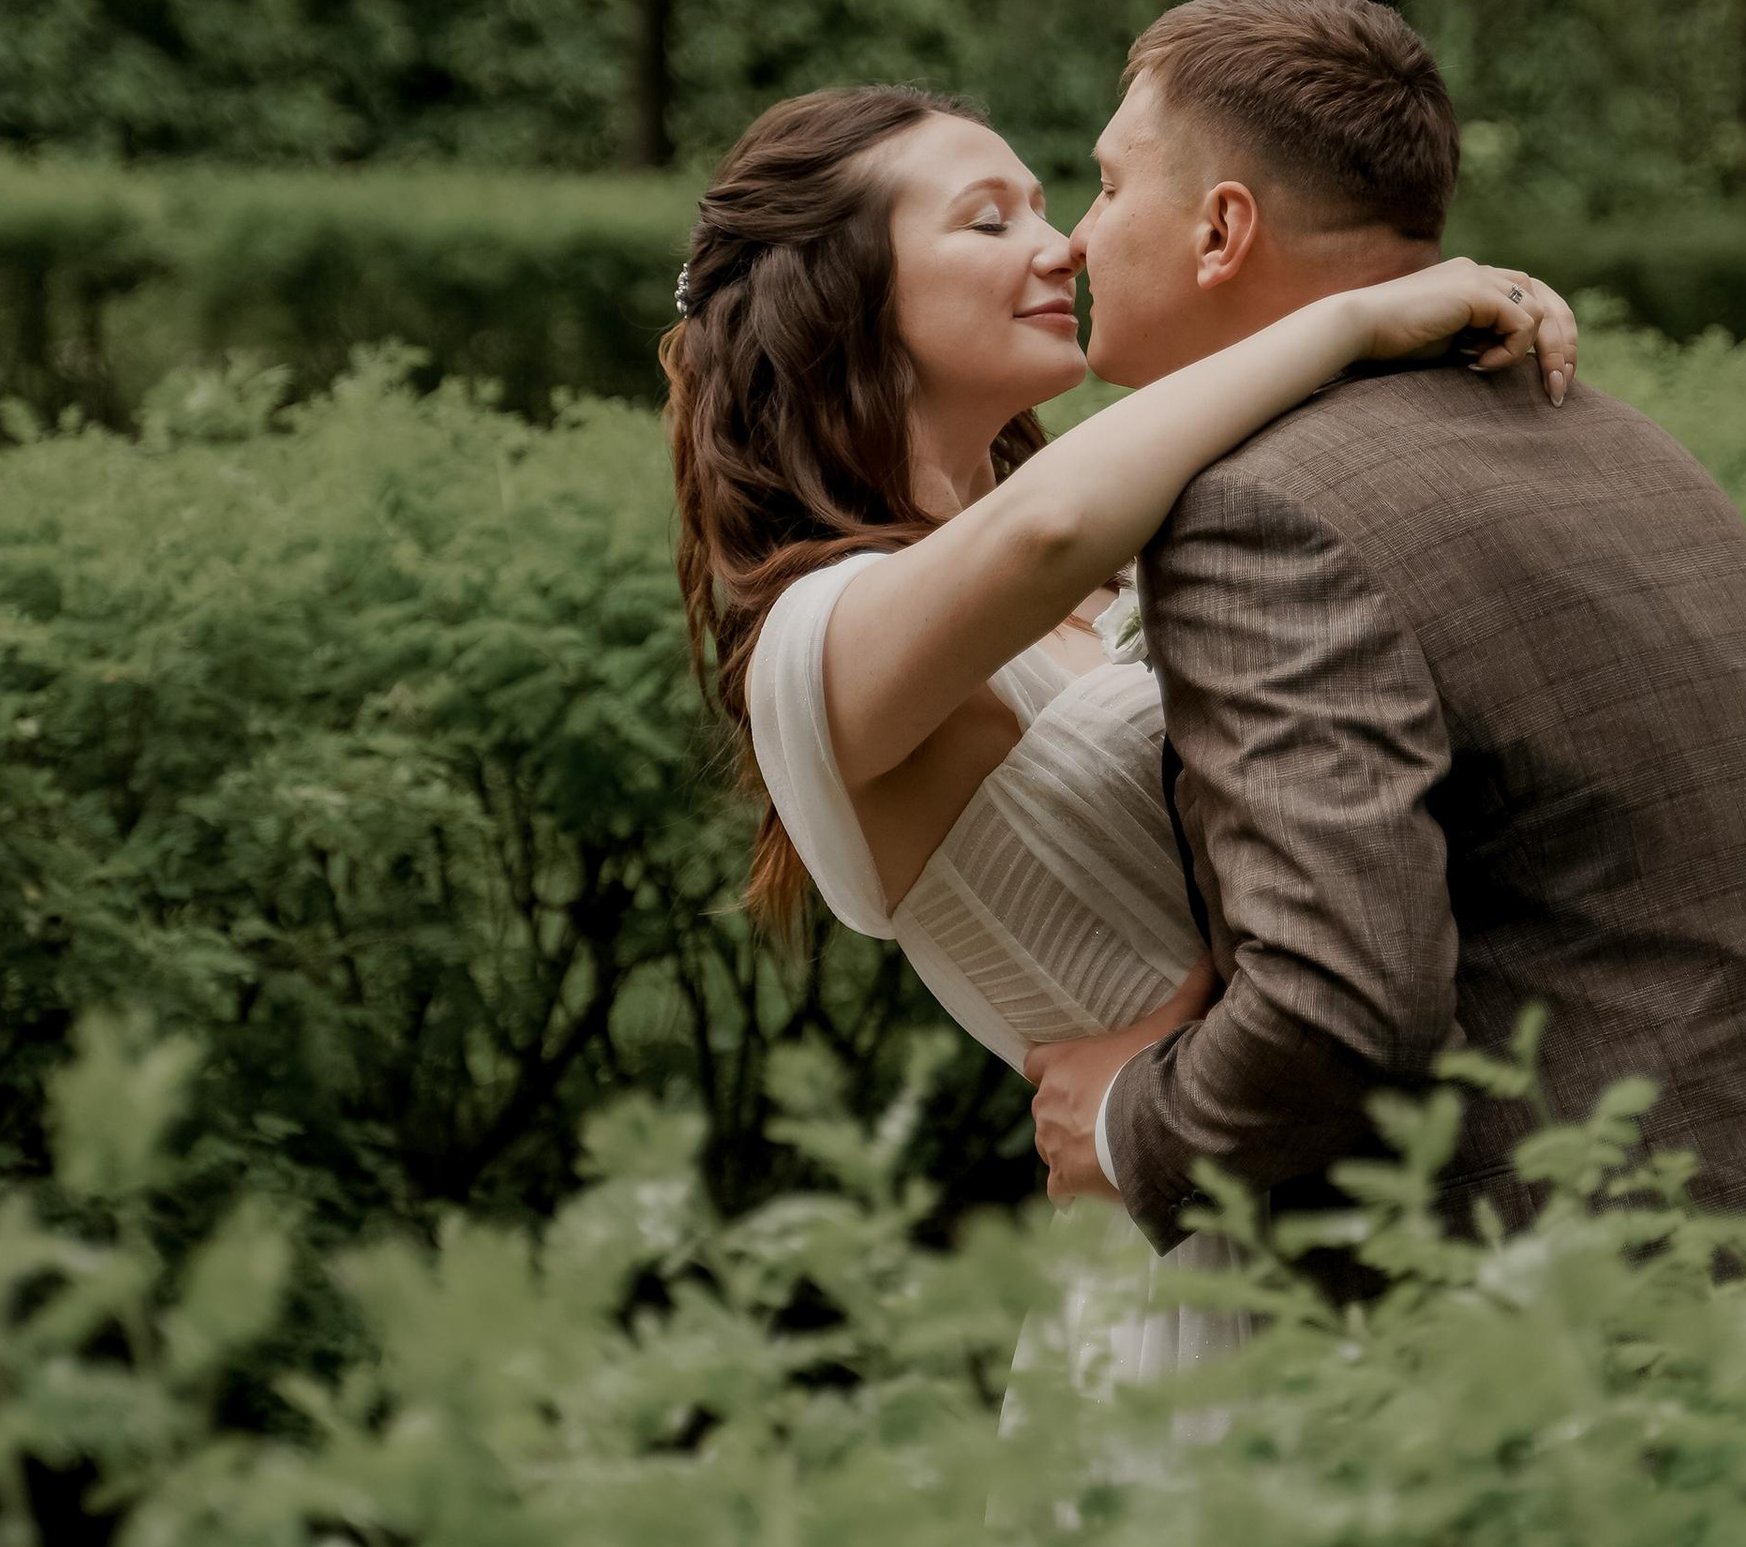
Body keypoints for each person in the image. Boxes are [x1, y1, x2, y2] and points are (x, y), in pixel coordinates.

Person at [663, 70, 1580, 1380]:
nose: (1064, 246)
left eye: (1054, 203)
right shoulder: (818, 650)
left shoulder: (1126, 557)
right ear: (840, 296)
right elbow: (1044, 525)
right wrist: (1358, 320)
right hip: (1201, 1291)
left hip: (1414, 1227)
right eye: (990, 221)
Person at [1025, 0, 1746, 1255]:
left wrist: (1130, 1123)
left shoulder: (1259, 510)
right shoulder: (1621, 441)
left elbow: (1342, 1002)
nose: (1076, 235)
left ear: (1222, 230)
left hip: (1595, 1326)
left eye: (1109, 187)